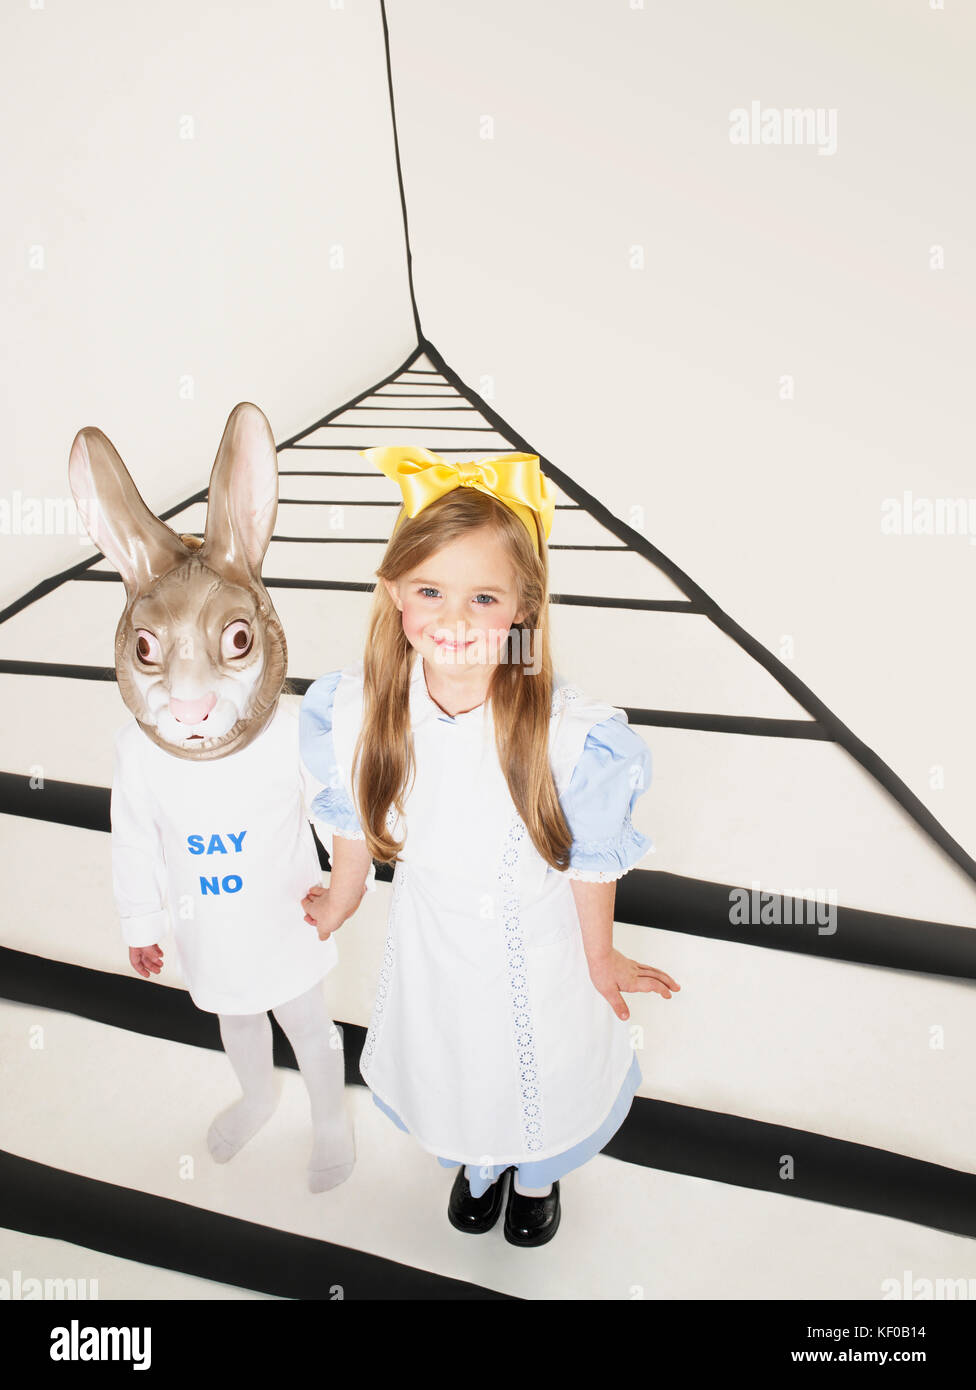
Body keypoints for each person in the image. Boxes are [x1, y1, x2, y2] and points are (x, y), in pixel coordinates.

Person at [299, 446, 679, 1245]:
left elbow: (586, 861)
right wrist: (341, 892)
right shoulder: (362, 708)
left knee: (537, 1062)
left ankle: (536, 1176)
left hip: (537, 946)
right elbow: (351, 807)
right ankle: (478, 1162)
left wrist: (600, 955)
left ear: (522, 608)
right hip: (435, 943)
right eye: (430, 591)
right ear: (395, 590)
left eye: (484, 597)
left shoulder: (568, 739)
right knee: (457, 1060)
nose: (456, 620)